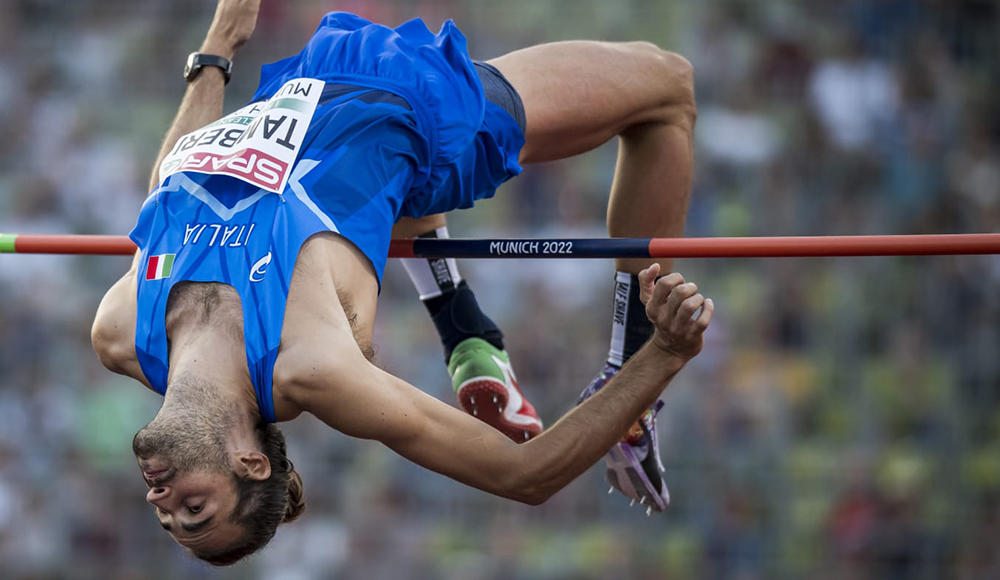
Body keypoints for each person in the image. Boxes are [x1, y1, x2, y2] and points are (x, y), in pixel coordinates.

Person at [90, 0, 709, 566]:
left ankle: (464, 329)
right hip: (415, 106)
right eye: (193, 512)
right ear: (248, 462)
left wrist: (218, 49)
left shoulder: (121, 331)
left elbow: (170, 190)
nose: (162, 504)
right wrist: (661, 354)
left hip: (307, 87)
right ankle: (621, 376)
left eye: (168, 519)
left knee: (366, 204)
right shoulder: (307, 363)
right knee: (667, 87)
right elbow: (526, 474)